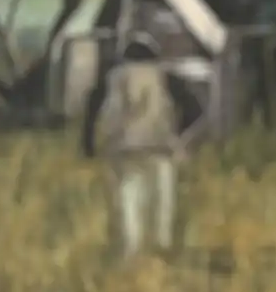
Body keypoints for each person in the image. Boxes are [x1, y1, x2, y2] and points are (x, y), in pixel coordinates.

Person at [83, 33, 199, 258]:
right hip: (160, 147)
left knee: (128, 199)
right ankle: (161, 247)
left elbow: (92, 112)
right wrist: (179, 135)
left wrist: (89, 144)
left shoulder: (112, 78)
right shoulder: (166, 76)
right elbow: (195, 110)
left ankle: (131, 249)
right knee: (162, 199)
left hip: (123, 148)